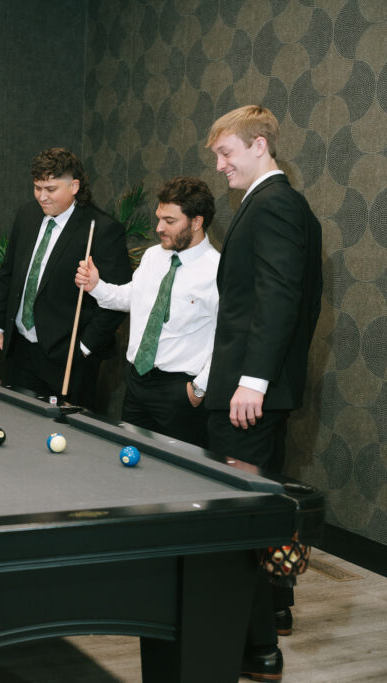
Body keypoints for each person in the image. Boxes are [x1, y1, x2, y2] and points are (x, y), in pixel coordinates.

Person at [206, 105, 323, 680]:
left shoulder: (276, 204)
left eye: (227, 153)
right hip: (241, 387)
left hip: (250, 396)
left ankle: (257, 651)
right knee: (244, 522)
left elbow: (279, 300)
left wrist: (251, 381)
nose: (221, 165)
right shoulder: (269, 203)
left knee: (241, 525)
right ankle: (257, 645)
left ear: (259, 146)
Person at [74, 177, 219, 447]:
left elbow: (227, 338)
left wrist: (199, 388)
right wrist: (97, 286)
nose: (159, 228)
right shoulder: (154, 256)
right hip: (137, 383)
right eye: (159, 218)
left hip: (180, 391)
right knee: (132, 460)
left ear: (197, 222)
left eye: (169, 221)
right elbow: (132, 298)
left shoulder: (217, 271)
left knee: (179, 475)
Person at [0, 148, 131, 409]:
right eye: (37, 187)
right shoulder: (27, 215)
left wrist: (84, 348)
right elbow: (8, 273)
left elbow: (118, 300)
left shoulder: (103, 229)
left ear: (74, 185)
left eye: (51, 189)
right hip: (20, 348)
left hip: (69, 358)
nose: (42, 196)